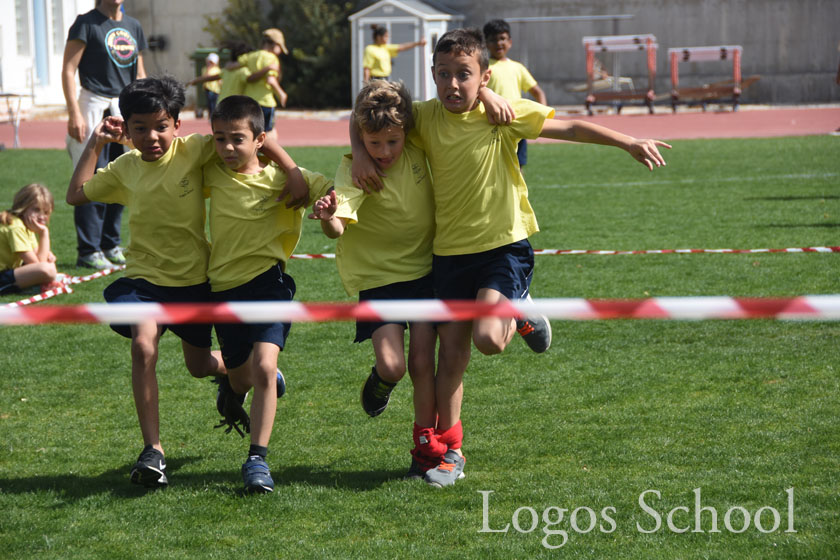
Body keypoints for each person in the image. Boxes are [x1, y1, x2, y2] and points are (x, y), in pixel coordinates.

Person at [352, 28, 671, 487]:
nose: (453, 84)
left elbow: (571, 127)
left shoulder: (503, 113)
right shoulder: (422, 117)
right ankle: (449, 451)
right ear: (432, 76)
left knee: (488, 339)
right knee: (450, 359)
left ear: (485, 77)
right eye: (443, 74)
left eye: (464, 74)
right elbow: (363, 111)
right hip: (448, 256)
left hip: (503, 247)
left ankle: (517, 304)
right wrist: (362, 152)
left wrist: (627, 141)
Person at [66, 76, 309, 489]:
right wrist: (95, 142)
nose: (151, 136)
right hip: (144, 281)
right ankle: (153, 452)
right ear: (126, 128)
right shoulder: (124, 167)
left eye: (160, 126)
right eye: (139, 128)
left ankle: (239, 374)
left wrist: (292, 171)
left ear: (177, 125)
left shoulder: (196, 149)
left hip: (196, 283)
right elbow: (75, 195)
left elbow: (253, 135)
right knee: (144, 345)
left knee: (198, 367)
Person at [309, 80, 444, 478]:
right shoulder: (354, 168)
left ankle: (425, 446)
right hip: (378, 279)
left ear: (405, 133)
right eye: (374, 144)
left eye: (392, 142)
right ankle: (379, 384)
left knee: (422, 363)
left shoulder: (416, 141)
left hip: (424, 272)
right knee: (393, 365)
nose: (384, 152)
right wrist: (328, 216)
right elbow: (338, 228)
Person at [205, 95, 333, 493]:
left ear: (258, 139)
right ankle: (231, 385)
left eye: (237, 139)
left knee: (262, 369)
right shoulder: (211, 166)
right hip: (223, 288)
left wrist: (319, 195)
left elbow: (333, 188)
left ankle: (257, 460)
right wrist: (282, 154)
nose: (227, 147)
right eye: (220, 138)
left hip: (269, 283)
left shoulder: (283, 180)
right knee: (243, 377)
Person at [61, 0, 146, 270]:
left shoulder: (134, 25)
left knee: (124, 174)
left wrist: (144, 108)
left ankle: (111, 243)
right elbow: (68, 69)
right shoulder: (85, 23)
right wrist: (74, 112)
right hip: (93, 105)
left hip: (125, 106)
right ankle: (89, 250)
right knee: (90, 177)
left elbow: (140, 73)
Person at [483, 19, 547, 171]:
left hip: (517, 123)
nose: (498, 43)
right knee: (492, 167)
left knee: (518, 166)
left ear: (510, 42)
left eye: (502, 38)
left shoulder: (517, 67)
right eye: (493, 40)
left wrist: (542, 116)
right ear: (485, 43)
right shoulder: (482, 68)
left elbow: (538, 92)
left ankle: (518, 195)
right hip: (491, 126)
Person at [0, 184, 59, 296]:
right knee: (48, 270)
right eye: (36, 210)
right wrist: (44, 233)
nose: (42, 216)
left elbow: (39, 257)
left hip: (7, 271)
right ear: (23, 207)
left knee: (49, 268)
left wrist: (47, 255)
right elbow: (38, 265)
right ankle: (17, 288)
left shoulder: (23, 224)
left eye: (46, 212)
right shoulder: (15, 227)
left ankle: (24, 286)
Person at [238, 29, 290, 137]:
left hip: (249, 101)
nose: (280, 51)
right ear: (275, 44)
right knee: (268, 134)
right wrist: (281, 93)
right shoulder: (271, 58)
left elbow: (233, 66)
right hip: (265, 102)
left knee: (250, 132)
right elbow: (271, 80)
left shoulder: (250, 56)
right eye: (280, 47)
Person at [187, 42, 252, 105]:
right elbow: (252, 78)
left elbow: (210, 78)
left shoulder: (226, 70)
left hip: (222, 102)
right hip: (235, 104)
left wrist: (196, 80)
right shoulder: (244, 71)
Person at [363, 25, 427, 82]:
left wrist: (418, 43)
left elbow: (402, 47)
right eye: (386, 36)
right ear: (378, 37)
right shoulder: (370, 49)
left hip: (385, 78)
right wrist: (365, 83)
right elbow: (367, 68)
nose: (387, 39)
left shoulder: (386, 47)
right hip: (375, 79)